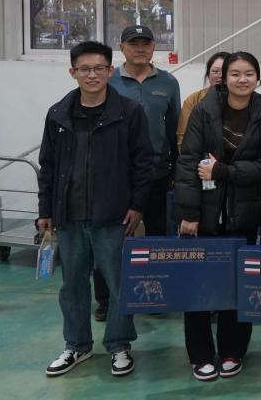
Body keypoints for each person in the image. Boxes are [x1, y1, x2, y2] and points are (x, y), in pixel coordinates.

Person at [37, 41, 154, 378]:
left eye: (99, 68)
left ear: (110, 71)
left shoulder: (129, 112)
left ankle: (119, 345)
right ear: (72, 72)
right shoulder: (58, 114)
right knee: (72, 285)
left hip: (113, 216)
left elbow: (144, 163)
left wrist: (137, 205)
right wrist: (45, 209)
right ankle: (77, 345)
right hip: (69, 217)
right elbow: (47, 166)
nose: (92, 75)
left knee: (118, 285)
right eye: (84, 69)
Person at [174, 51, 261, 382]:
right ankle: (201, 354)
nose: (242, 79)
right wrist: (189, 213)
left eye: (249, 73)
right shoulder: (204, 109)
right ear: (223, 77)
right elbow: (188, 162)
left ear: (257, 78)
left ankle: (233, 351)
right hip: (204, 214)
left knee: (238, 284)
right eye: (235, 73)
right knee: (199, 286)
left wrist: (223, 171)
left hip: (244, 214)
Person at [102, 24, 180, 323]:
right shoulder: (110, 81)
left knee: (157, 238)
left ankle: (154, 295)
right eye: (133, 43)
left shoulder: (168, 83)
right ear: (122, 48)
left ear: (153, 47)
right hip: (116, 176)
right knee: (111, 239)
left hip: (156, 175)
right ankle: (107, 299)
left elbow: (173, 128)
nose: (140, 48)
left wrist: (175, 167)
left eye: (145, 43)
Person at [176, 51, 229, 149]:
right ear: (208, 75)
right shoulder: (194, 100)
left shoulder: (244, 100)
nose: (220, 75)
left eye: (225, 71)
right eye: (215, 71)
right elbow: (183, 137)